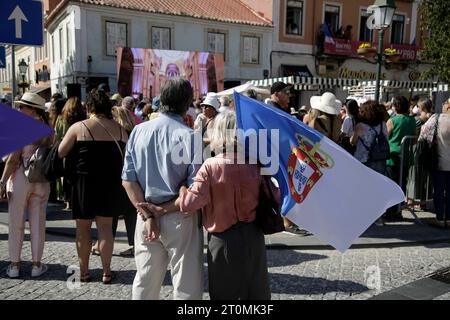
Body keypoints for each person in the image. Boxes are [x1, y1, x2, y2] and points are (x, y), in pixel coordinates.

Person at [122, 78, 203, 300]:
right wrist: (161, 211)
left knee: (145, 281)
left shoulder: (139, 131)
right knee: (186, 283)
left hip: (145, 214)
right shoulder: (190, 137)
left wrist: (148, 213)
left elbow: (128, 180)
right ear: (186, 103)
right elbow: (195, 190)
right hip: (178, 216)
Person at [58, 89, 129, 284]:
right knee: (105, 229)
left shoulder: (78, 127)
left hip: (84, 185)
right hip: (110, 184)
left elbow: (61, 152)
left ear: (88, 107)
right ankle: (107, 272)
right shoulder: (120, 130)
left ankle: (83, 272)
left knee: (83, 229)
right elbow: (129, 157)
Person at [0, 93, 53, 278]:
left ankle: (14, 266)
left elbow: (13, 160)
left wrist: (2, 181)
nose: (19, 109)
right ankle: (37, 265)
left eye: (23, 106)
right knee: (38, 223)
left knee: (16, 223)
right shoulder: (48, 129)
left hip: (21, 177)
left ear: (32, 109)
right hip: (41, 179)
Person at [419, 98, 450, 227]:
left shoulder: (436, 119)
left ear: (448, 107)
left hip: (439, 161)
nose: (443, 104)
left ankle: (439, 217)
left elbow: (423, 137)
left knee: (438, 190)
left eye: (445, 103)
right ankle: (448, 218)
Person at [385, 96, 417, 220]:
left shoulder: (392, 120)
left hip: (392, 156)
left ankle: (391, 211)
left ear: (396, 106)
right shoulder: (412, 120)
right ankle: (398, 210)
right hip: (407, 156)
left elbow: (386, 136)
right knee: (402, 183)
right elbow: (414, 139)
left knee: (391, 184)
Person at [351, 101, 389, 175]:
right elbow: (386, 137)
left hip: (363, 159)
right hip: (380, 158)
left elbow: (353, 142)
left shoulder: (360, 126)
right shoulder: (382, 124)